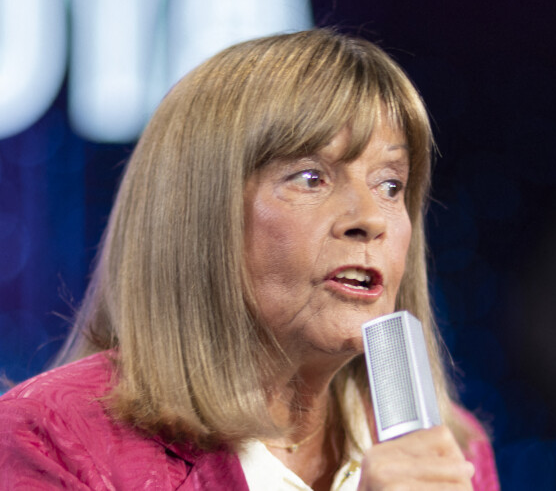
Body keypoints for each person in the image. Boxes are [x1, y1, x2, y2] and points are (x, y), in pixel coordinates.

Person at [0, 29, 499, 490]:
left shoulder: (453, 454)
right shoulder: (49, 438)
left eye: (390, 184)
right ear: (198, 214)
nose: (371, 218)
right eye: (311, 178)